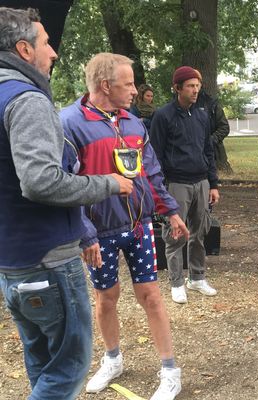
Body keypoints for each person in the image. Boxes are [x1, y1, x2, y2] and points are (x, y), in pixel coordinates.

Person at [0, 8, 133, 400]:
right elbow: (40, 182)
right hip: (47, 259)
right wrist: (108, 183)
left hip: (13, 264)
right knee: (68, 370)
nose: (54, 52)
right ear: (24, 49)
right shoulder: (26, 99)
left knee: (42, 363)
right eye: (45, 42)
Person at [60, 53, 188, 400]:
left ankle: (170, 371)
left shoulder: (133, 123)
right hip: (98, 234)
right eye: (128, 83)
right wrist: (85, 233)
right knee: (107, 297)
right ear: (106, 85)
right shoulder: (70, 123)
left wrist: (171, 211)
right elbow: (65, 184)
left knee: (151, 296)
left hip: (139, 225)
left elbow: (152, 173)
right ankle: (113, 359)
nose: (135, 90)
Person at [151, 66, 220, 304]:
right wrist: (160, 189)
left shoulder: (202, 115)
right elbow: (156, 155)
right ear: (177, 88)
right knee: (175, 234)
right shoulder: (163, 116)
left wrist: (213, 183)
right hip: (177, 183)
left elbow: (208, 151)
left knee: (200, 232)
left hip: (201, 181)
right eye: (190, 86)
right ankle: (177, 282)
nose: (195, 90)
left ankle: (197, 277)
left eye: (198, 86)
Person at [196, 75, 233, 174]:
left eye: (196, 84)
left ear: (201, 84)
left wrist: (211, 140)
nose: (194, 89)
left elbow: (224, 127)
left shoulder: (212, 104)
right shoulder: (179, 108)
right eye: (190, 85)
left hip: (213, 156)